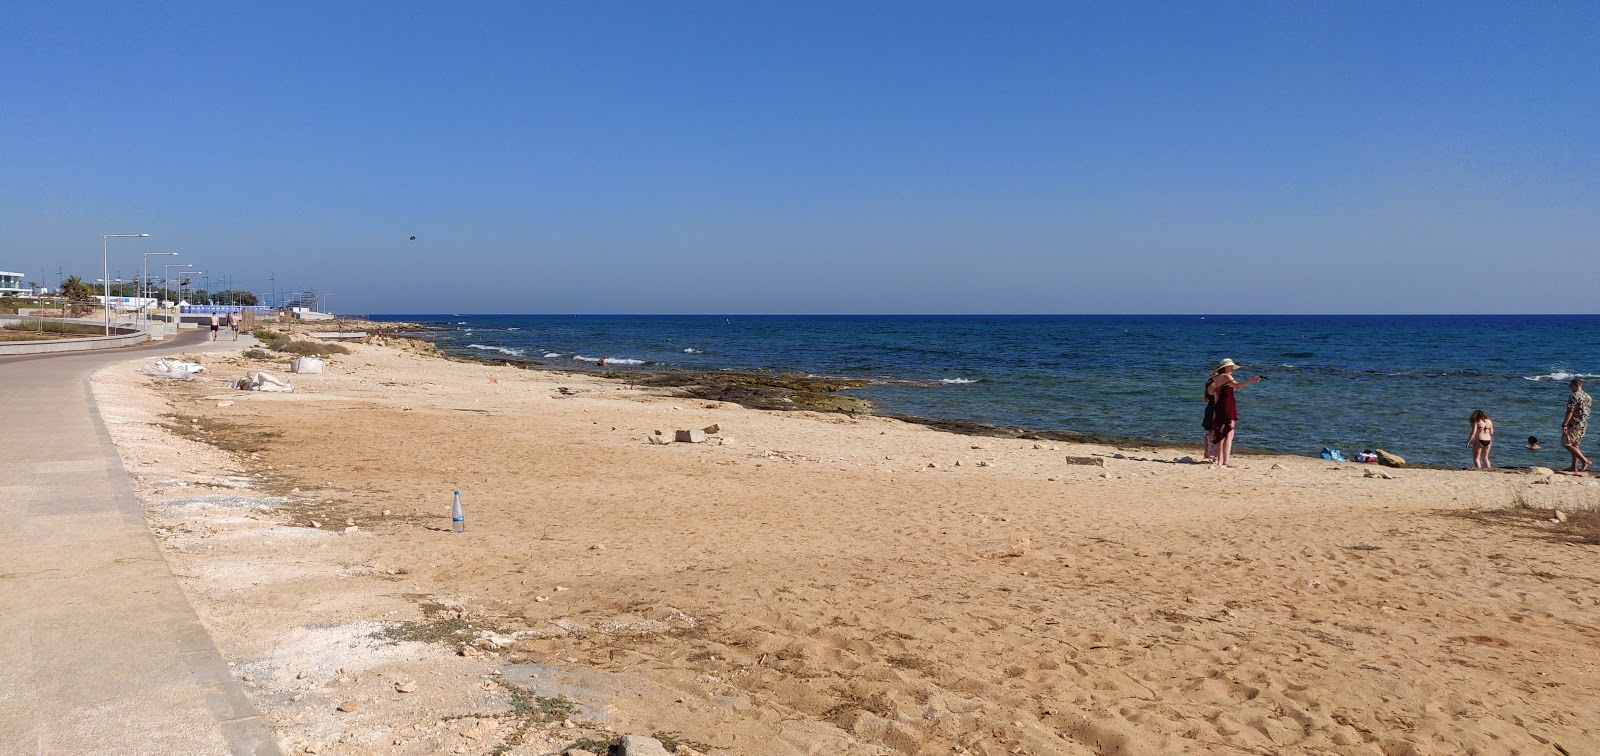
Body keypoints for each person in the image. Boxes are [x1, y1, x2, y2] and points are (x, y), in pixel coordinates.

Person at [1206, 358, 1266, 469]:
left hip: (1219, 406)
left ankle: (1220, 460)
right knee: (1229, 433)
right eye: (1230, 367)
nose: (1232, 368)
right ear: (1225, 368)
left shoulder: (1216, 378)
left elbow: (1216, 396)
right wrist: (1252, 380)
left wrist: (1215, 412)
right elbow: (1237, 386)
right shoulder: (1227, 377)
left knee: (1220, 433)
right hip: (1227, 405)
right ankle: (1225, 461)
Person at [1561, 378, 1591, 472]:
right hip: (1583, 424)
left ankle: (1585, 461)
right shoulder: (1588, 396)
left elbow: (1570, 410)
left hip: (1574, 423)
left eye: (1570, 385)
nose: (1569, 387)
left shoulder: (1574, 395)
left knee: (1565, 443)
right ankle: (1574, 467)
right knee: (1575, 445)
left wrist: (1565, 424)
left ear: (1575, 385)